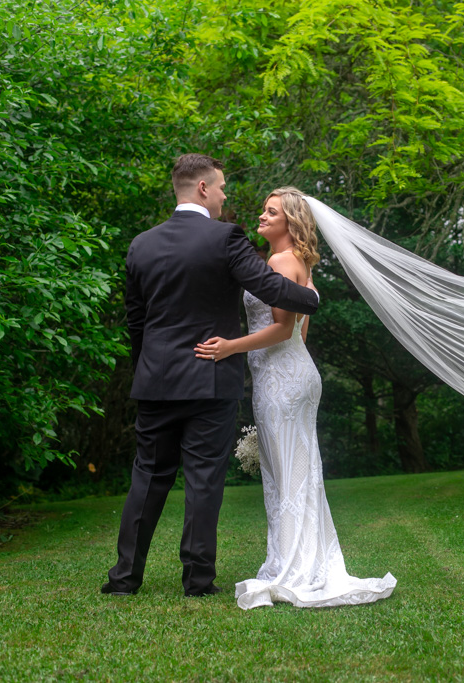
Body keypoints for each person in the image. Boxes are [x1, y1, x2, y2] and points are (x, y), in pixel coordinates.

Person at [102, 156, 319, 598]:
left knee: (147, 478)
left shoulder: (140, 245)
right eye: (220, 187)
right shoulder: (225, 237)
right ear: (203, 188)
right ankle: (197, 580)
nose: (224, 195)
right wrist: (311, 296)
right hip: (211, 378)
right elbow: (270, 287)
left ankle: (124, 578)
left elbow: (136, 322)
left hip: (156, 380)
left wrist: (149, 368)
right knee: (203, 481)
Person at [194, 187, 397, 609]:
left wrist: (230, 347)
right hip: (293, 373)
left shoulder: (281, 261)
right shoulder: (299, 262)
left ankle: (291, 566)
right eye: (263, 212)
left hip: (282, 380)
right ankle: (303, 560)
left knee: (287, 474)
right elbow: (301, 334)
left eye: (271, 213)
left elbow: (284, 329)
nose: (262, 218)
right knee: (298, 472)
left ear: (291, 222)